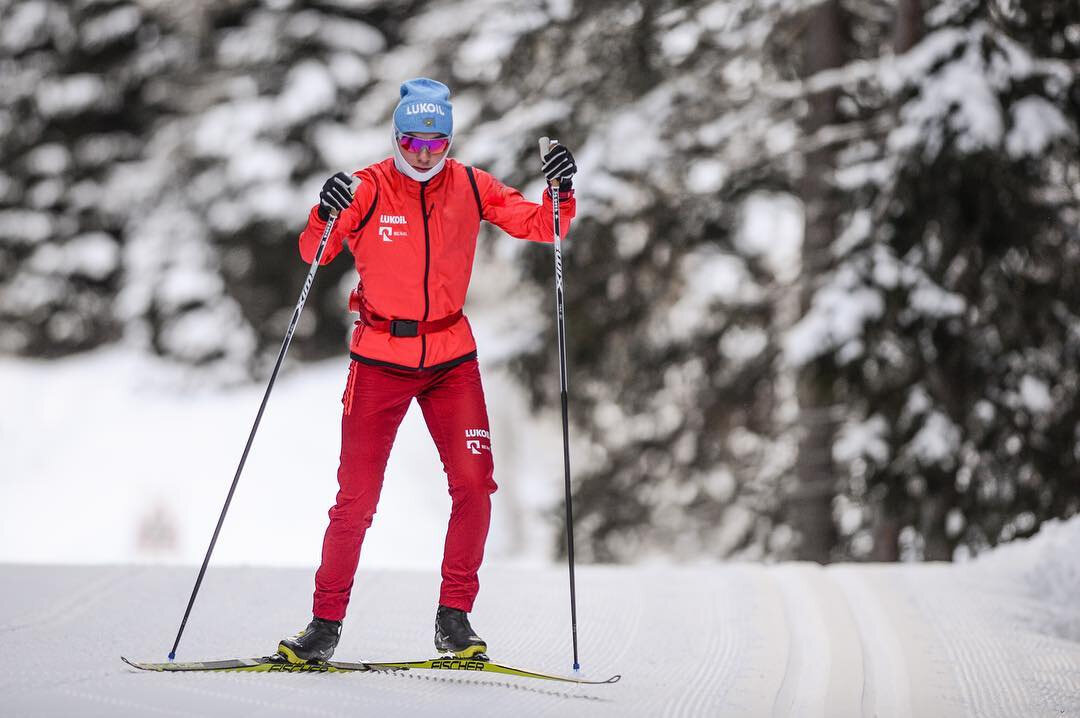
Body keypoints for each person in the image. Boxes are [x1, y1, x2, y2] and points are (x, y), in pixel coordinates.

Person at [277, 77, 578, 664]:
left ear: (448, 141)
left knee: (474, 486)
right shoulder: (368, 187)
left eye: (435, 143)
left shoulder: (470, 183)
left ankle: (454, 620)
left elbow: (544, 225)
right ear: (396, 136)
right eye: (411, 141)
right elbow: (316, 250)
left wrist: (562, 188)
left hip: (450, 360)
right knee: (356, 499)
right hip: (379, 359)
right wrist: (324, 209)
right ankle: (323, 625)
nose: (422, 154)